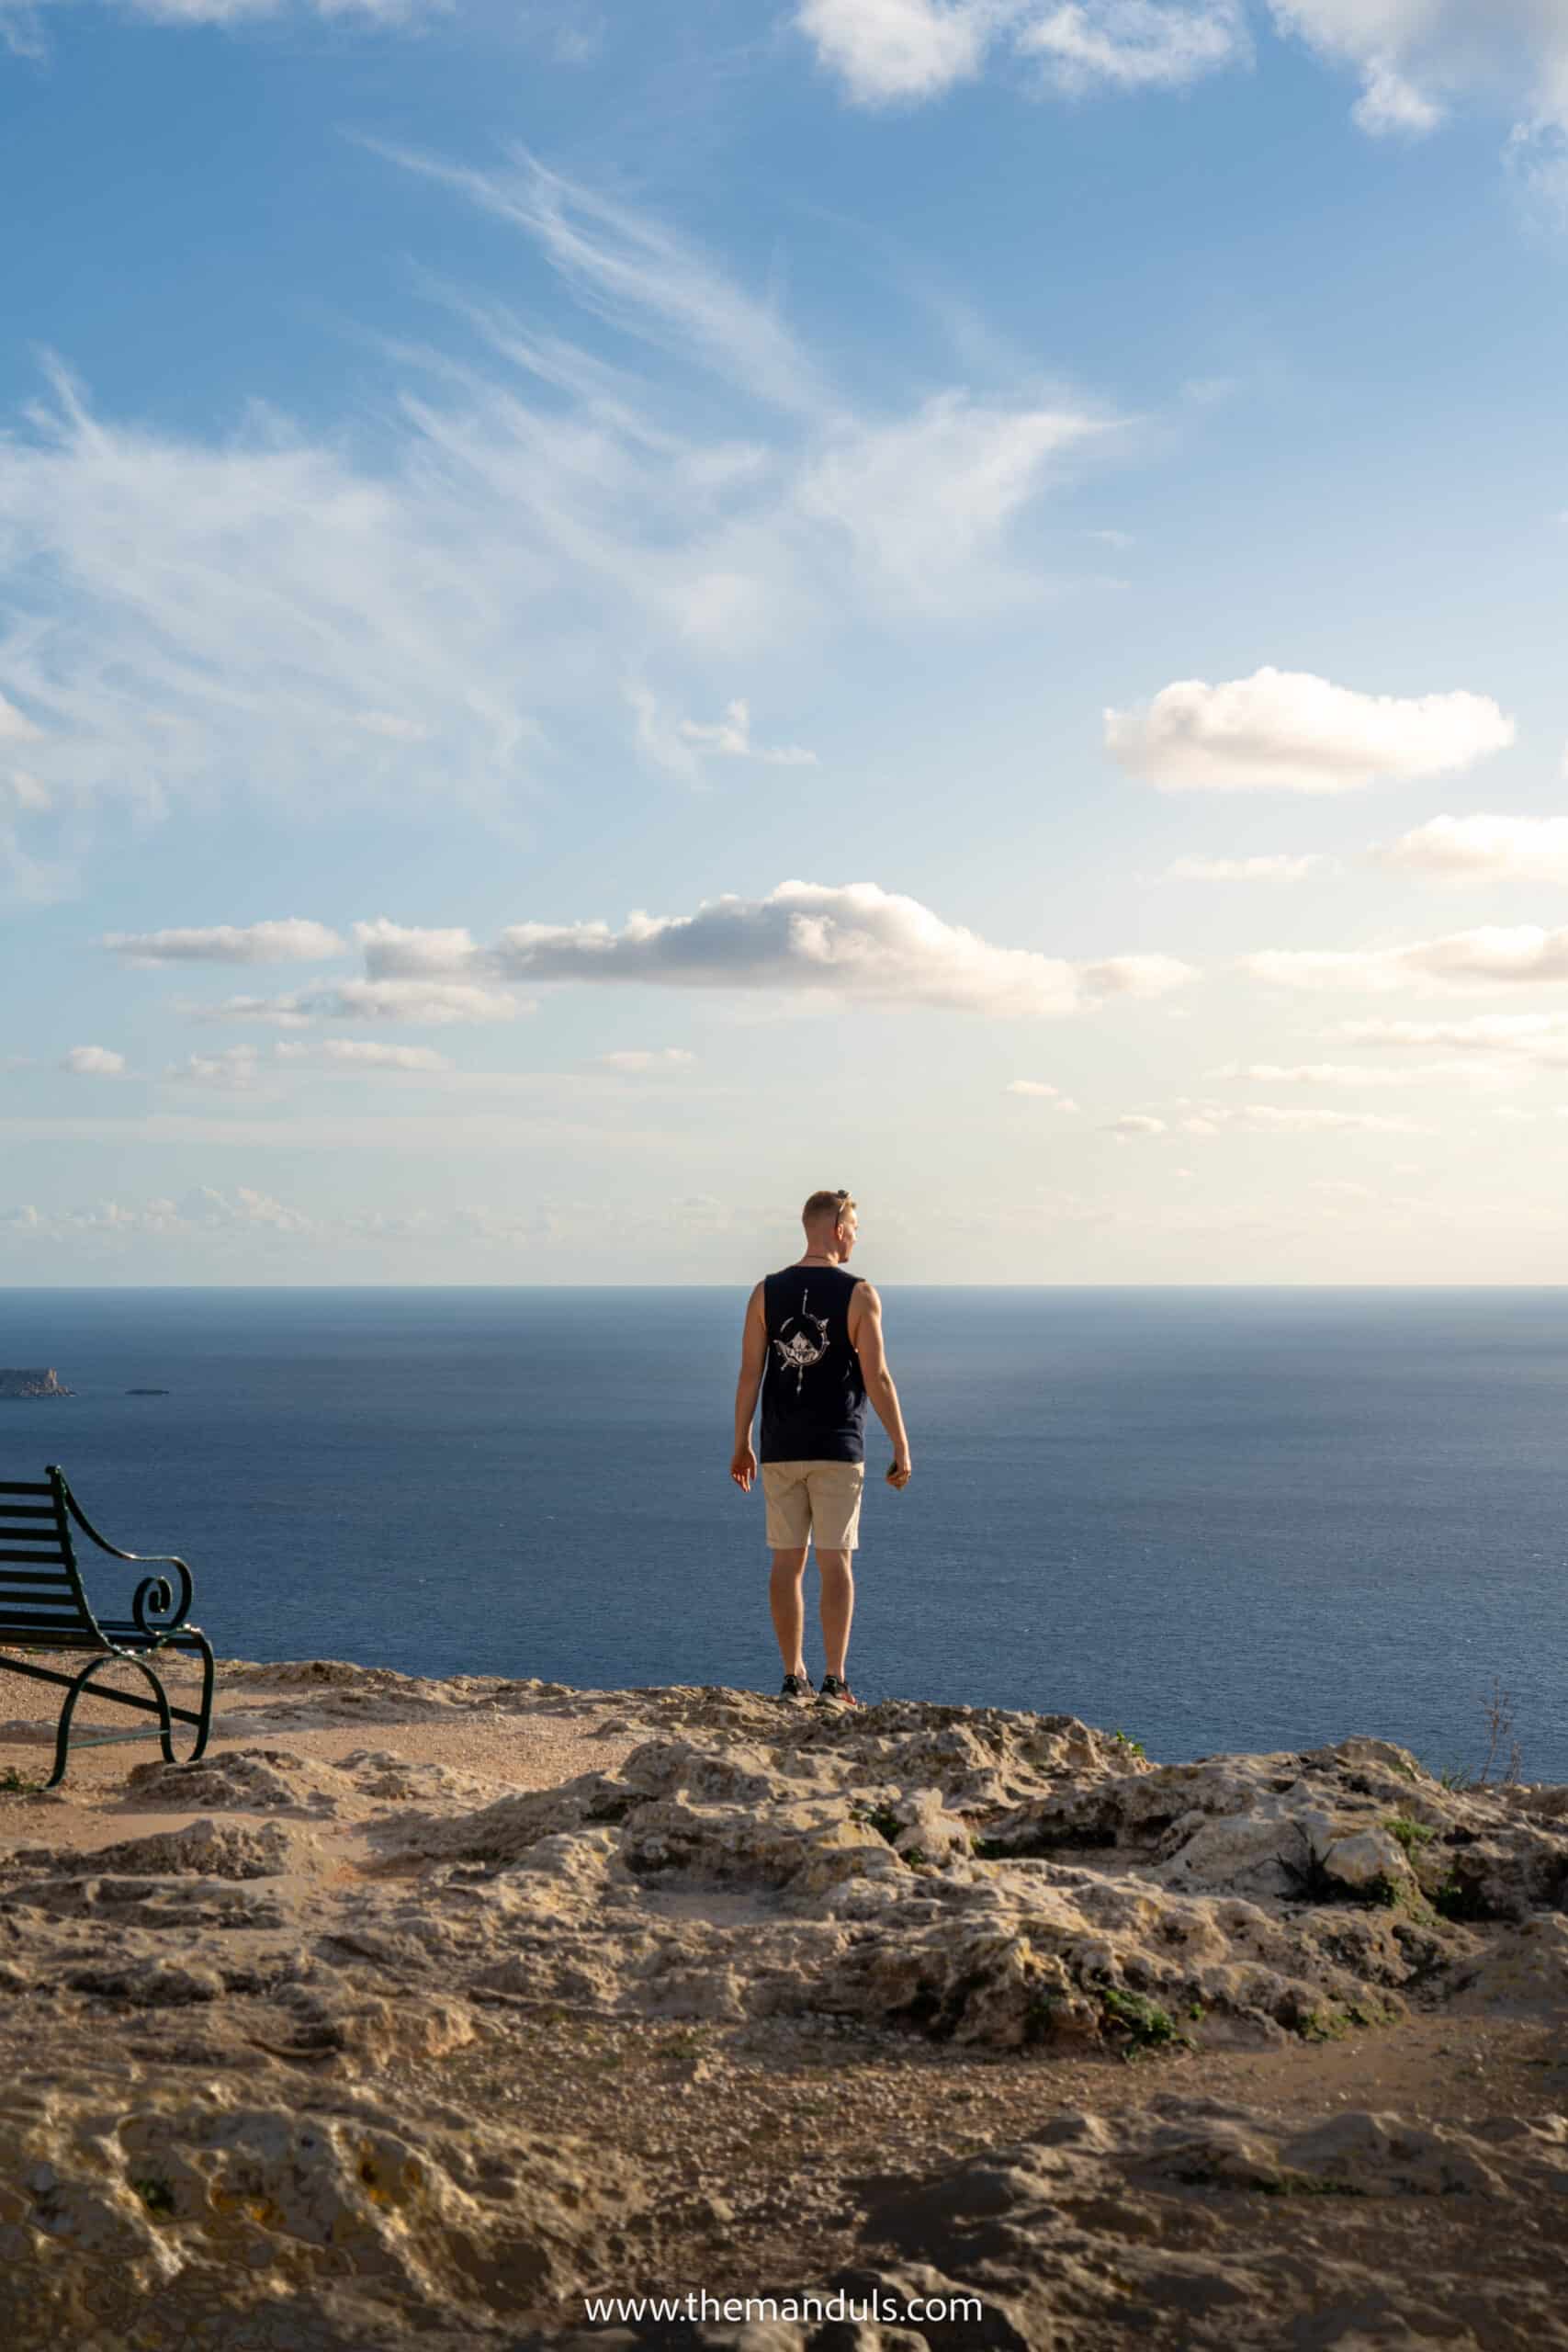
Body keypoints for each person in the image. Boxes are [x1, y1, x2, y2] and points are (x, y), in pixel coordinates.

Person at [729, 1188, 912, 1706]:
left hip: (780, 1447)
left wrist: (741, 1442)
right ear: (836, 1228)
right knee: (836, 1563)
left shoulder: (765, 1293)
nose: (855, 1235)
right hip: (837, 1447)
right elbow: (876, 1375)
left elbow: (749, 1374)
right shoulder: (860, 1294)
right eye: (853, 1226)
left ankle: (793, 1677)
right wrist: (900, 1443)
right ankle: (835, 1680)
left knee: (787, 1563)